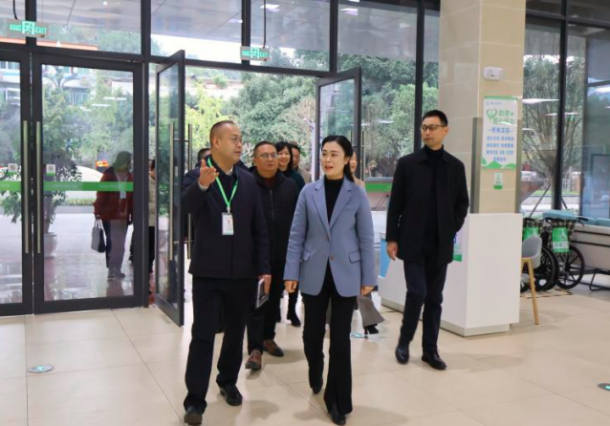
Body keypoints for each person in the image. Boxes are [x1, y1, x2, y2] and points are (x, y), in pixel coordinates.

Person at [182, 120, 271, 426]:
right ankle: (195, 401)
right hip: (208, 272)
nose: (239, 144)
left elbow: (260, 228)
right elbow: (187, 206)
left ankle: (227, 381)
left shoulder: (247, 180)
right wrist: (202, 185)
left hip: (242, 273)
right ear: (216, 142)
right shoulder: (196, 176)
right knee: (203, 335)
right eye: (233, 139)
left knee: (235, 332)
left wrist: (264, 268)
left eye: (241, 139)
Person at [284, 135, 376, 426]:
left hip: (346, 273)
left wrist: (369, 277)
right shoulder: (308, 191)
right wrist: (290, 272)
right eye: (324, 153)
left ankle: (338, 401)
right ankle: (316, 367)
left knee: (340, 340)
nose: (327, 159)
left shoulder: (356, 193)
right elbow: (296, 235)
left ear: (347, 159)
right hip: (313, 272)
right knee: (312, 336)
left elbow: (365, 237)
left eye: (334, 154)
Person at [386, 110, 469, 371]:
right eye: (424, 127)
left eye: (432, 127)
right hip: (412, 242)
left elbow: (462, 203)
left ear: (445, 130)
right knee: (417, 292)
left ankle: (430, 350)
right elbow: (395, 204)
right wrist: (392, 238)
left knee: (434, 298)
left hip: (440, 244)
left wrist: (451, 226)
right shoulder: (408, 164)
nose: (427, 132)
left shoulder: (455, 167)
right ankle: (404, 342)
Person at [245, 141, 299, 371]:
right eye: (264, 155)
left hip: (281, 255)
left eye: (273, 155)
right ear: (254, 159)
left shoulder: (290, 187)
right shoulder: (246, 184)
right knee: (257, 303)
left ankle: (268, 337)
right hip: (254, 256)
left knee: (274, 300)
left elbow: (297, 223)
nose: (270, 159)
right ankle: (255, 349)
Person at [349, 152, 384, 335]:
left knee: (364, 280)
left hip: (358, 240)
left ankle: (369, 321)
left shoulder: (360, 184)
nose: (353, 162)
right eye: (350, 158)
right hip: (340, 243)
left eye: (355, 159)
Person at [276, 141, 306, 326]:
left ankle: (291, 310)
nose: (284, 157)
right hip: (274, 233)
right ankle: (275, 309)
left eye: (286, 153)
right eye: (280, 153)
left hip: (293, 231)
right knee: (276, 272)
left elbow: (302, 207)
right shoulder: (269, 175)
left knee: (294, 271)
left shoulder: (297, 179)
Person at [94, 151, 134, 280]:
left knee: (120, 243)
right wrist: (97, 211)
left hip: (123, 214)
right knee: (111, 241)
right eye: (129, 160)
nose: (131, 163)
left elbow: (132, 197)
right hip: (109, 213)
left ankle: (117, 268)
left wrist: (132, 214)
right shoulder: (109, 174)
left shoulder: (129, 175)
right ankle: (111, 268)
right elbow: (101, 193)